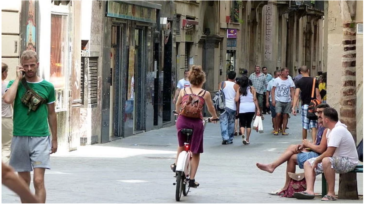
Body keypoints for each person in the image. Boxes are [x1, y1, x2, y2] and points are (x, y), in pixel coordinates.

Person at [3, 50, 58, 203]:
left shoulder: (47, 87)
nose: (29, 69)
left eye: (32, 65)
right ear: (21, 66)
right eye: (25, 66)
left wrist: (54, 140)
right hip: (19, 137)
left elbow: (52, 114)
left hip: (40, 137)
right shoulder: (15, 84)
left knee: (38, 181)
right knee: (24, 181)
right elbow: (7, 99)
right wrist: (17, 79)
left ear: (37, 65)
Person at [256, 103, 329, 195]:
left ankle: (284, 184)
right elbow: (316, 143)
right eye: (317, 112)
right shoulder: (321, 125)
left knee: (291, 158)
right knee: (292, 147)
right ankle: (276, 172)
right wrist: (305, 146)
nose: (318, 115)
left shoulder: (326, 127)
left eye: (321, 112)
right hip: (316, 152)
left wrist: (308, 144)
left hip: (320, 155)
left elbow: (321, 149)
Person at [294, 108, 359, 201]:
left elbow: (329, 152)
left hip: (348, 162)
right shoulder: (329, 130)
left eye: (322, 117)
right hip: (336, 160)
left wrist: (316, 160)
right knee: (308, 163)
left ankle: (331, 193)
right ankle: (309, 191)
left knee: (326, 160)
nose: (320, 119)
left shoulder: (338, 130)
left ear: (326, 120)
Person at [171, 65, 219, 188]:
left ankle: (176, 165)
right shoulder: (205, 93)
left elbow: (177, 105)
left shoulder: (183, 91)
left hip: (182, 121)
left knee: (181, 146)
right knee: (195, 152)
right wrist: (214, 116)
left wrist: (178, 112)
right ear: (202, 80)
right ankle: (192, 179)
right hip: (196, 124)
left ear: (190, 80)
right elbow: (210, 108)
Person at [292, 65, 321, 141]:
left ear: (301, 72)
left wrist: (293, 107)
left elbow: (296, 94)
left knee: (304, 126)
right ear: (308, 70)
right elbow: (317, 94)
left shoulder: (299, 81)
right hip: (313, 105)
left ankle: (304, 143)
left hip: (304, 105)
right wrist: (320, 105)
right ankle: (314, 142)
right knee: (313, 125)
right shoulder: (314, 80)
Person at [235, 76, 260, 145]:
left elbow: (237, 99)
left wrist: (235, 98)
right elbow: (255, 99)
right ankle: (247, 139)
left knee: (242, 124)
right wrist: (258, 109)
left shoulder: (239, 89)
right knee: (248, 124)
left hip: (242, 107)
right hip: (251, 107)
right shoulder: (252, 89)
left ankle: (243, 135)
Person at [271, 68, 295, 135]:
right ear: (282, 72)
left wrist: (293, 100)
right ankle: (276, 128)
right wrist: (273, 99)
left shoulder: (290, 80)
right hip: (278, 99)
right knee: (278, 114)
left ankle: (283, 130)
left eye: (288, 71)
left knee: (285, 115)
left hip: (287, 100)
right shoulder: (276, 80)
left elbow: (292, 90)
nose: (288, 73)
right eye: (286, 71)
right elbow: (273, 90)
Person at [219, 71, 239, 145]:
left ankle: (225, 137)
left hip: (223, 106)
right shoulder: (236, 86)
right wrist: (237, 108)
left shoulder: (222, 83)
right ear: (234, 77)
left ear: (227, 76)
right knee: (231, 122)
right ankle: (230, 138)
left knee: (223, 122)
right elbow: (237, 99)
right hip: (232, 106)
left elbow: (219, 94)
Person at [2, 63, 13, 164]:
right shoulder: (8, 85)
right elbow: (11, 101)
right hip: (6, 119)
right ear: (4, 73)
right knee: (6, 147)